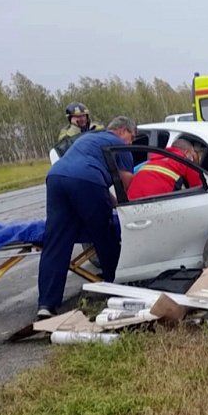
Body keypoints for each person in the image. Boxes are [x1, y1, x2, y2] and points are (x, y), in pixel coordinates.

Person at [37, 117, 137, 318]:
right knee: (104, 235)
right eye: (132, 137)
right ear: (123, 130)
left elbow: (89, 177)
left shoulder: (88, 138)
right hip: (86, 180)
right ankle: (118, 288)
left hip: (56, 177)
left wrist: (109, 200)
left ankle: (46, 305)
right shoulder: (118, 145)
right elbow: (126, 183)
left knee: (55, 241)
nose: (131, 143)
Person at [127, 139, 204, 200]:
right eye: (193, 153)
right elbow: (199, 189)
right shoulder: (184, 161)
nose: (194, 157)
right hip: (153, 204)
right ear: (187, 152)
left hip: (130, 201)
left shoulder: (154, 159)